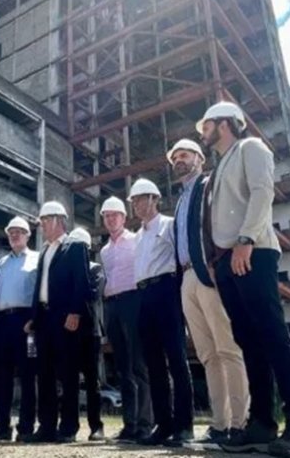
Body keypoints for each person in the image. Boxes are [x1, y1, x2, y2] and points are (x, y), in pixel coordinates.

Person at [196, 101, 290, 457]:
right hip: (229, 259)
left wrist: (247, 239)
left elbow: (263, 192)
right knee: (249, 341)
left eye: (207, 126)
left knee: (273, 336)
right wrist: (219, 260)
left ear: (226, 123)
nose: (204, 132)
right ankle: (261, 424)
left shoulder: (251, 147)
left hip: (253, 252)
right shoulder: (220, 166)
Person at [168, 138, 249, 444]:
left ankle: (240, 424)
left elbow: (223, 222)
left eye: (185, 154)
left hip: (208, 270)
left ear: (200, 159)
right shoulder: (180, 198)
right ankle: (219, 425)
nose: (179, 160)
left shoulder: (210, 184)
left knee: (228, 349)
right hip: (187, 277)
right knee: (207, 355)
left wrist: (217, 262)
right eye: (176, 157)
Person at [129, 178, 195, 446]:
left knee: (177, 359)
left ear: (154, 198)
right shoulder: (138, 235)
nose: (136, 204)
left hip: (167, 289)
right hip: (143, 295)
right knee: (154, 364)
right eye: (133, 200)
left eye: (140, 199)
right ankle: (163, 424)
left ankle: (184, 426)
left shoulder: (169, 224)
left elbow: (180, 261)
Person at [24, 201, 91, 444]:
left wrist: (75, 313)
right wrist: (34, 318)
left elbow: (81, 282)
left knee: (68, 373)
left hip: (64, 319)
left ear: (57, 220)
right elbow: (39, 287)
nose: (41, 225)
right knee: (45, 374)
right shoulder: (45, 251)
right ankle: (47, 426)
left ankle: (69, 427)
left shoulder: (75, 247)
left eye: (44, 220)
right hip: (44, 320)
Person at [98, 197, 153, 443]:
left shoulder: (136, 239)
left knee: (139, 365)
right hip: (112, 305)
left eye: (115, 215)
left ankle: (145, 424)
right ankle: (129, 425)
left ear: (124, 217)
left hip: (133, 301)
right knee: (123, 368)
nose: (111, 219)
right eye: (106, 216)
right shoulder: (104, 250)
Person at [0, 217, 38, 443]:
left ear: (28, 235)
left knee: (28, 375)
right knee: (1, 377)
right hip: (2, 322)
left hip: (27, 323)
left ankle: (25, 427)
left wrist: (36, 319)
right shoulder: (1, 262)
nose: (15, 235)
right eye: (11, 232)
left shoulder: (37, 259)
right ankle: (2, 426)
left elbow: (41, 292)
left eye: (20, 231)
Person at [68, 227, 105, 441]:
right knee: (70, 380)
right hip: (69, 332)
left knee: (92, 381)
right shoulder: (65, 270)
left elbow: (91, 293)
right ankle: (70, 426)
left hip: (90, 331)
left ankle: (96, 426)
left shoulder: (95, 268)